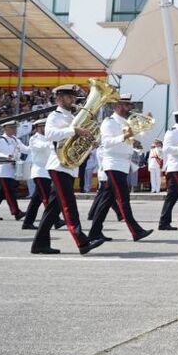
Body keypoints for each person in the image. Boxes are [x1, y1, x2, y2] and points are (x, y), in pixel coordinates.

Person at [30, 84, 105, 255]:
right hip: (58, 165)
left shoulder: (72, 116)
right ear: (59, 98)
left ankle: (39, 244)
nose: (73, 100)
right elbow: (50, 134)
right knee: (69, 206)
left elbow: (75, 139)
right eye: (69, 97)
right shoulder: (54, 116)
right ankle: (82, 242)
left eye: (73, 97)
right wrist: (74, 130)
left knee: (53, 209)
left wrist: (89, 141)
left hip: (69, 167)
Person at [88, 94, 153, 243]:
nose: (129, 108)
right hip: (113, 164)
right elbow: (106, 142)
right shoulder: (109, 122)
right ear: (117, 106)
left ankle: (94, 232)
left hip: (123, 164)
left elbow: (140, 139)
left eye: (129, 105)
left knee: (106, 200)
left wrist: (147, 126)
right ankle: (136, 231)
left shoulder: (126, 122)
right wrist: (124, 136)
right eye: (126, 105)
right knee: (123, 199)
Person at [21, 119, 64, 230]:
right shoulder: (34, 139)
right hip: (40, 172)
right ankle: (56, 220)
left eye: (46, 126)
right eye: (42, 127)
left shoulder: (48, 138)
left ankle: (27, 222)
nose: (45, 129)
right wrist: (54, 140)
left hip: (47, 172)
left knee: (36, 200)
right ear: (37, 128)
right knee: (47, 198)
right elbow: (43, 146)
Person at [0, 120, 29, 221]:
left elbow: (25, 149)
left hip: (12, 170)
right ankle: (16, 212)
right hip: (3, 170)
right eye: (11, 127)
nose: (14, 129)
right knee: (10, 191)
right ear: (4, 128)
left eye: (15, 127)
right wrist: (5, 156)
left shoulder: (15, 139)